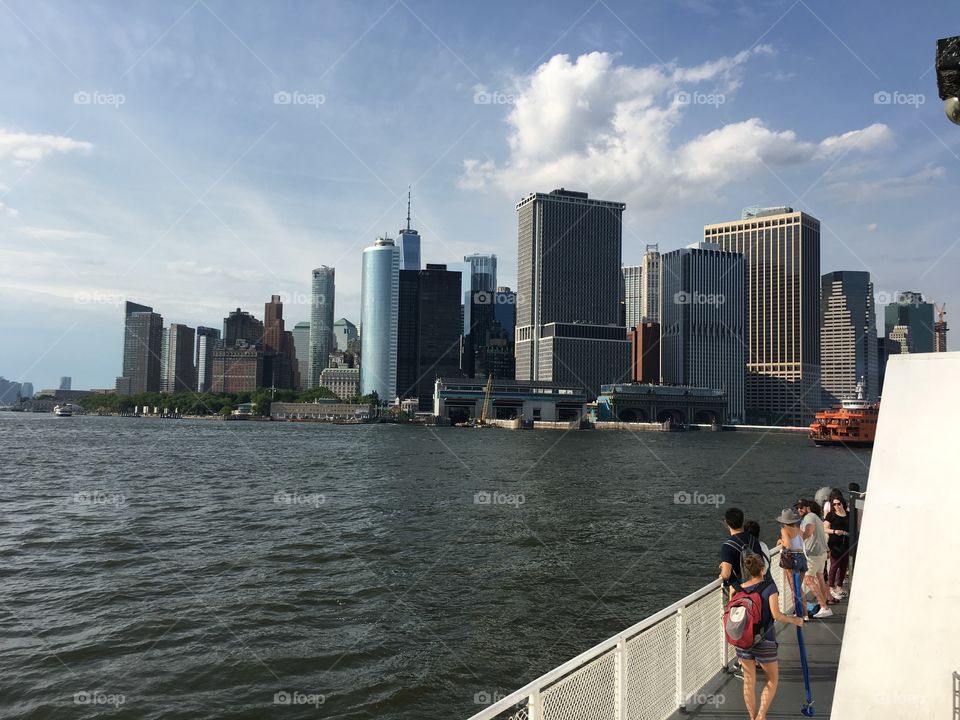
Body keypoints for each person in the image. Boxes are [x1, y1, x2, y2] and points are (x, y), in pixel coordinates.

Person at [733, 553, 805, 720]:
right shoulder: (770, 588)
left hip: (743, 640)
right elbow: (777, 615)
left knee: (748, 681)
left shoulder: (739, 588)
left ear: (748, 570)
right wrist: (795, 620)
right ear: (763, 569)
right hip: (764, 640)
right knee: (772, 680)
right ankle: (761, 716)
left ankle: (752, 717)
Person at [797, 499, 833, 617]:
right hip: (821, 553)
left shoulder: (810, 516)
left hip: (814, 554)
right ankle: (823, 604)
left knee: (808, 580)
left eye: (801, 507)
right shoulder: (815, 517)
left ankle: (824, 607)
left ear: (808, 508)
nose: (799, 509)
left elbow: (808, 532)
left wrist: (794, 540)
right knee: (820, 577)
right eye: (797, 507)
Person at [719, 507, 763, 593]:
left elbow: (726, 575)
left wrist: (722, 571)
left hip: (742, 591)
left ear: (727, 523)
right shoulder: (753, 539)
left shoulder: (727, 546)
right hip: (759, 586)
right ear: (742, 521)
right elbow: (761, 562)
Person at [824, 492, 851, 599]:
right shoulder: (831, 515)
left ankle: (839, 586)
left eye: (838, 504)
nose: (836, 506)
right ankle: (831, 586)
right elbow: (824, 528)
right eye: (834, 504)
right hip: (835, 543)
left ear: (842, 503)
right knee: (834, 565)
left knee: (844, 566)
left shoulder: (848, 515)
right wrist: (835, 531)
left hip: (846, 543)